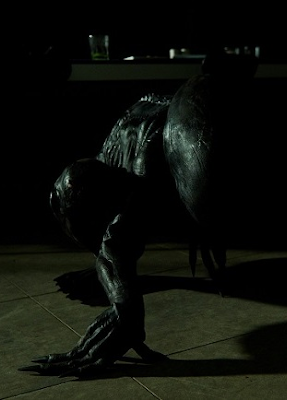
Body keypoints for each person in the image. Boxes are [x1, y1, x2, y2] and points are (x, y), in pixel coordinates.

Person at [18, 52, 258, 376]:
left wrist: (124, 304)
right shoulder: (125, 161)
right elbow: (115, 240)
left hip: (198, 139)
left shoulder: (134, 159)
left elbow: (116, 239)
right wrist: (120, 291)